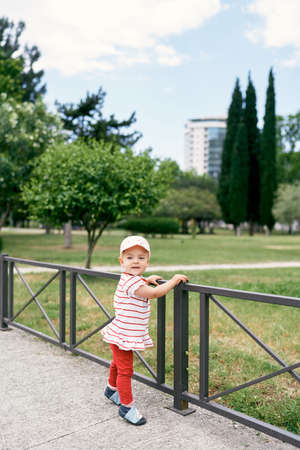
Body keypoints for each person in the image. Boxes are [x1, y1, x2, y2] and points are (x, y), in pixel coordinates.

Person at [101, 235, 188, 426]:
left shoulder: (131, 279)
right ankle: (126, 407)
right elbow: (156, 293)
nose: (136, 261)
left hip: (121, 332)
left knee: (117, 363)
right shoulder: (132, 283)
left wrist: (146, 280)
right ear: (121, 261)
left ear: (147, 261)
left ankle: (111, 389)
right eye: (130, 257)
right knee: (125, 370)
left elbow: (139, 285)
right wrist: (173, 280)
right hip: (124, 334)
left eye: (141, 257)